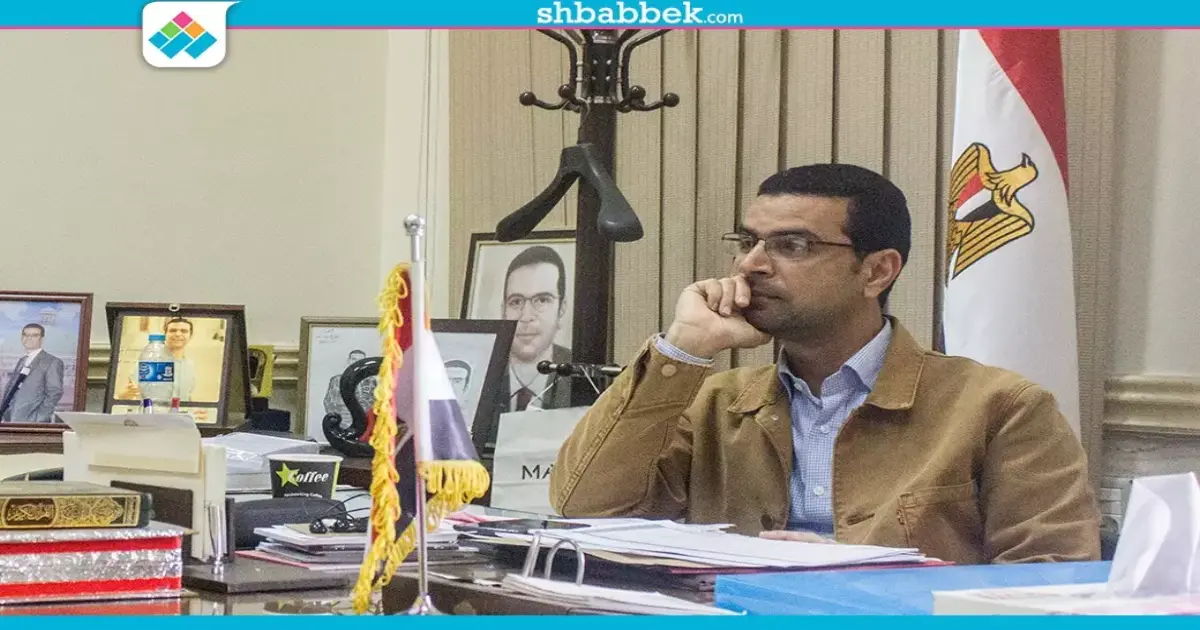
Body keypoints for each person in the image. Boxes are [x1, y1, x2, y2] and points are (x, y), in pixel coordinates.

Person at [549, 163, 1100, 565]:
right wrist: (683, 348)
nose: (751, 264)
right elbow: (585, 509)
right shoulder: (715, 402)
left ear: (877, 271)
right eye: (748, 241)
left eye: (792, 245)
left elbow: (1051, 585)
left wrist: (867, 577)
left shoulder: (999, 407)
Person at [499, 245, 572, 412]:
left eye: (542, 300)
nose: (526, 316)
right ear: (503, 310)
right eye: (516, 302)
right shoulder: (479, 372)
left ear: (561, 309)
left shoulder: (580, 376)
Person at [120, 317, 197, 402]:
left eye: (184, 331)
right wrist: (124, 395)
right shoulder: (151, 363)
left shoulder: (189, 366)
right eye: (173, 330)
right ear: (165, 334)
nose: (178, 334)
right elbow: (131, 392)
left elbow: (186, 396)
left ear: (190, 336)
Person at [0, 323, 65, 423]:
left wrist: (38, 419)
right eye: (25, 335)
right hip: (11, 420)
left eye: (34, 335)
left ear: (42, 339)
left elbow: (55, 393)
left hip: (31, 423)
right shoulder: (22, 360)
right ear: (22, 338)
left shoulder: (52, 362)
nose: (29, 338)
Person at [323, 349, 375, 424]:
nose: (356, 362)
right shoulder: (337, 380)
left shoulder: (371, 381)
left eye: (360, 360)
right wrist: (339, 419)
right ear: (348, 361)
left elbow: (376, 402)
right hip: (344, 421)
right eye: (354, 359)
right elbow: (328, 402)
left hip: (366, 420)